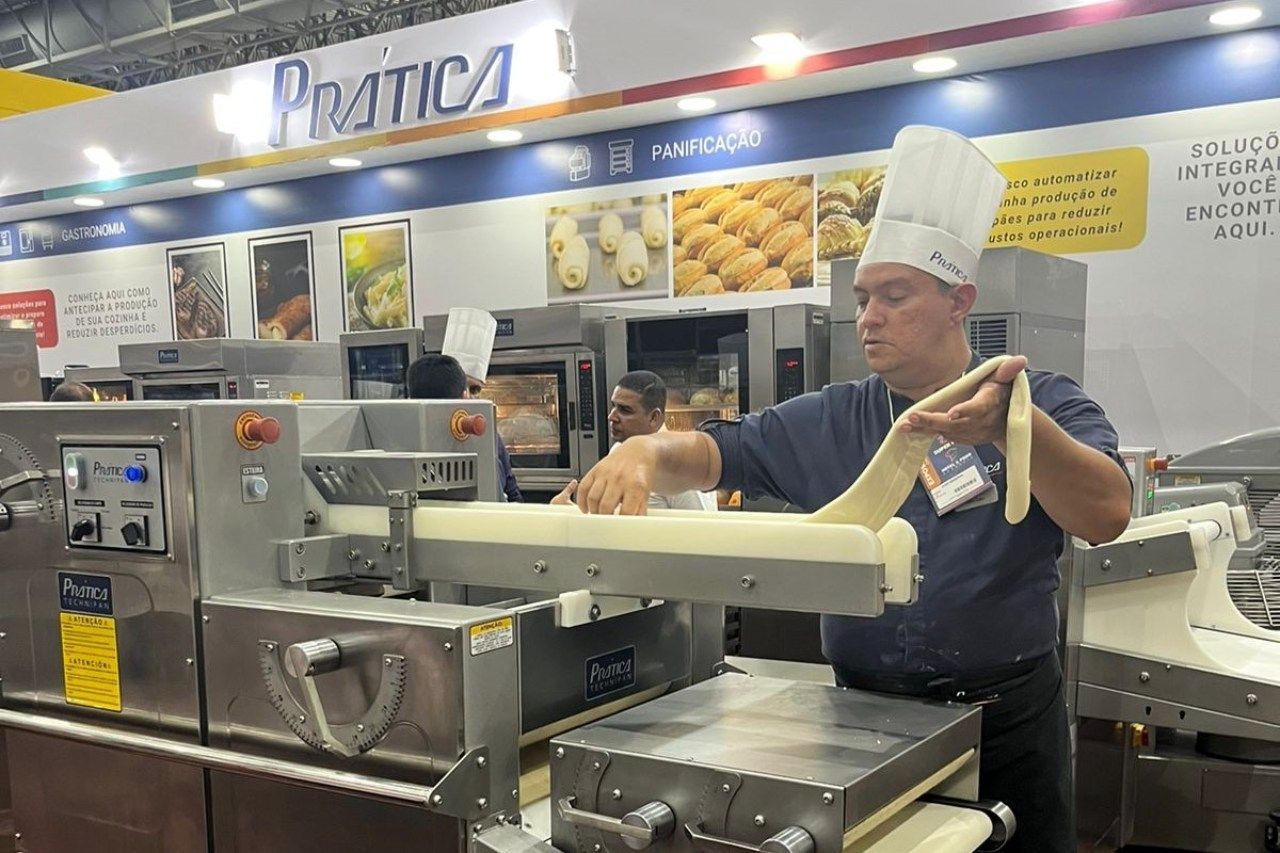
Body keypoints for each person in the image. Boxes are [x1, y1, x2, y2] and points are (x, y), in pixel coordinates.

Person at [569, 126, 1132, 853]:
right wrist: (646, 449)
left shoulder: (1041, 402)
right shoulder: (833, 418)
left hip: (1008, 724)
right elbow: (715, 453)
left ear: (959, 301)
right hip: (862, 723)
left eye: (895, 296)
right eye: (864, 298)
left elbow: (1108, 512)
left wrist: (1015, 432)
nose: (869, 317)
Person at [554, 370, 715, 511]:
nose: (611, 417)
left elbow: (703, 530)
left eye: (625, 410)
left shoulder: (680, 463)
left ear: (654, 418)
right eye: (613, 406)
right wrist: (570, 513)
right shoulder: (618, 450)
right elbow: (614, 519)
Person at [439, 308, 522, 503]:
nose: (467, 397)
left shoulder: (492, 438)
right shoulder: (430, 440)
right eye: (461, 388)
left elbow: (513, 494)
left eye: (474, 389)